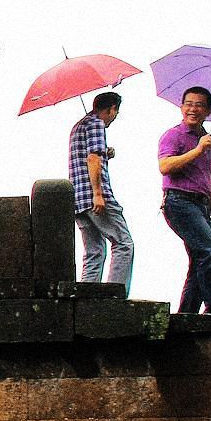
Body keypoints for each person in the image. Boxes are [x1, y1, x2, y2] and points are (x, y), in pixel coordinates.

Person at [158, 86, 211, 314]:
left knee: (200, 259)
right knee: (210, 250)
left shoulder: (208, 141)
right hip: (179, 201)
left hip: (201, 205)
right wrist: (197, 150)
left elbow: (210, 178)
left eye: (199, 105)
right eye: (188, 104)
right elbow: (165, 166)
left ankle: (187, 315)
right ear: (181, 106)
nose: (193, 109)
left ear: (208, 110)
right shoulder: (173, 135)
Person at [69, 91, 133, 290]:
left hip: (78, 199)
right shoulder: (96, 123)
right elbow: (92, 159)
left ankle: (88, 296)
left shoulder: (79, 126)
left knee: (94, 250)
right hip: (95, 196)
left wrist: (106, 152)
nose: (114, 117)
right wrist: (98, 194)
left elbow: (87, 156)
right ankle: (115, 294)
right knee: (123, 244)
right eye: (115, 112)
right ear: (112, 108)